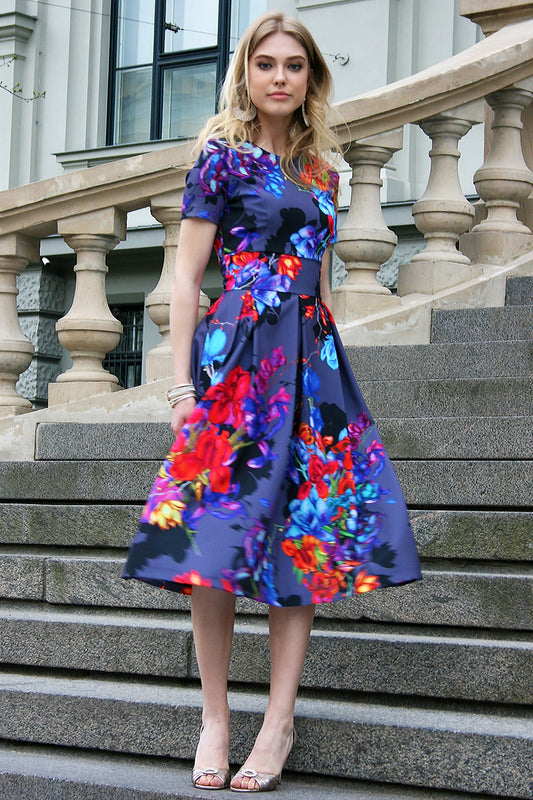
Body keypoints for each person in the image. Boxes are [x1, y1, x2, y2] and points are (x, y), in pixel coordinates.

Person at [122, 10, 422, 793]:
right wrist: (181, 384)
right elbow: (186, 278)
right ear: (247, 74)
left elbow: (319, 282)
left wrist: (330, 375)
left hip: (312, 366)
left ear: (310, 77)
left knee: (303, 537)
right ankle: (215, 717)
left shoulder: (323, 171)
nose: (279, 77)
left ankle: (278, 721)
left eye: (294, 65)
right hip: (235, 363)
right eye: (266, 64)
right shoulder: (219, 159)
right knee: (210, 538)